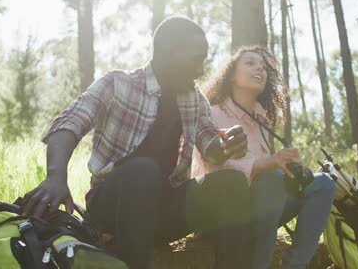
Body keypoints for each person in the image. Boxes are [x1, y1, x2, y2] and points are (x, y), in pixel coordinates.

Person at [22, 17, 253, 269]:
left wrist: (227, 145)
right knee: (143, 169)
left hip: (161, 211)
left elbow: (210, 146)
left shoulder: (194, 100)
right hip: (111, 211)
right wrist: (56, 176)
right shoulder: (117, 83)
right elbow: (69, 123)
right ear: (168, 54)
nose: (200, 70)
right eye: (196, 59)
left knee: (234, 183)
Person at [193, 46, 336, 269]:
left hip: (259, 213)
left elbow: (268, 180)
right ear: (231, 75)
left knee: (323, 184)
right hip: (222, 216)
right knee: (271, 176)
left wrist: (287, 170)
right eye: (250, 63)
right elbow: (213, 169)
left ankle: (295, 265)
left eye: (263, 67)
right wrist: (268, 164)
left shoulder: (263, 120)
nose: (260, 68)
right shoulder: (213, 113)